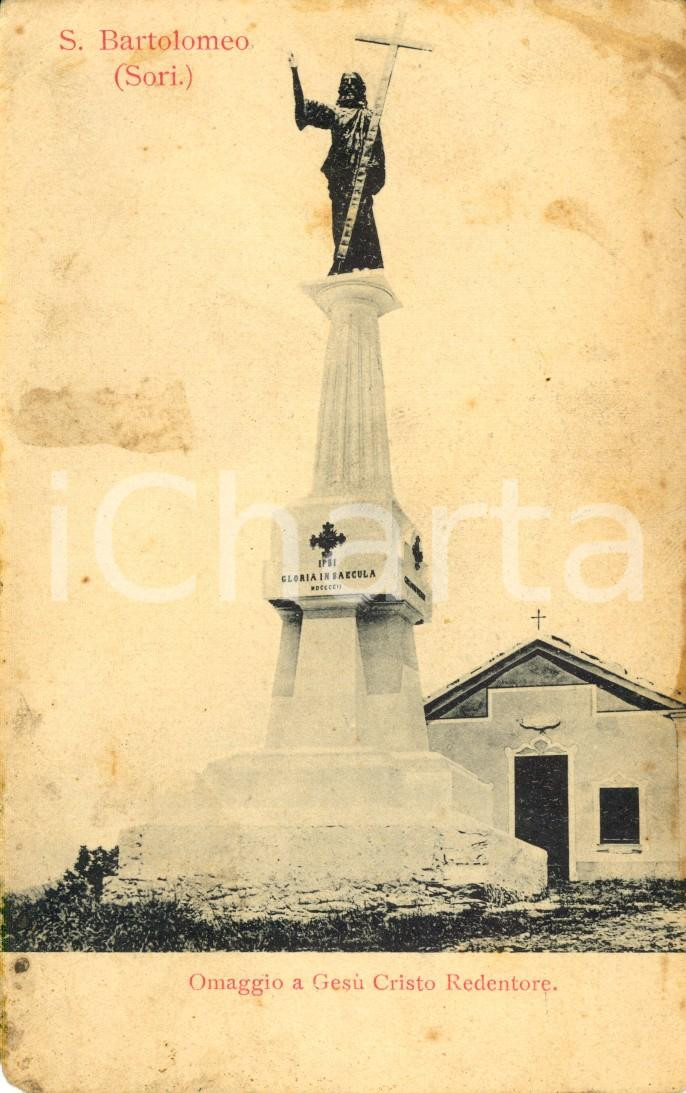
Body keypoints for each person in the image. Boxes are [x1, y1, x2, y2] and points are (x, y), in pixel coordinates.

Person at [288, 53, 385, 275]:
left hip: (357, 183)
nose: (348, 89)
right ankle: (345, 263)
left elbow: (378, 152)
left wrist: (371, 178)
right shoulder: (338, 114)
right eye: (346, 85)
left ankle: (364, 265)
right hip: (343, 182)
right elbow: (304, 110)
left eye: (352, 85)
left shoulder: (368, 118)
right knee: (343, 223)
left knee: (361, 223)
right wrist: (295, 73)